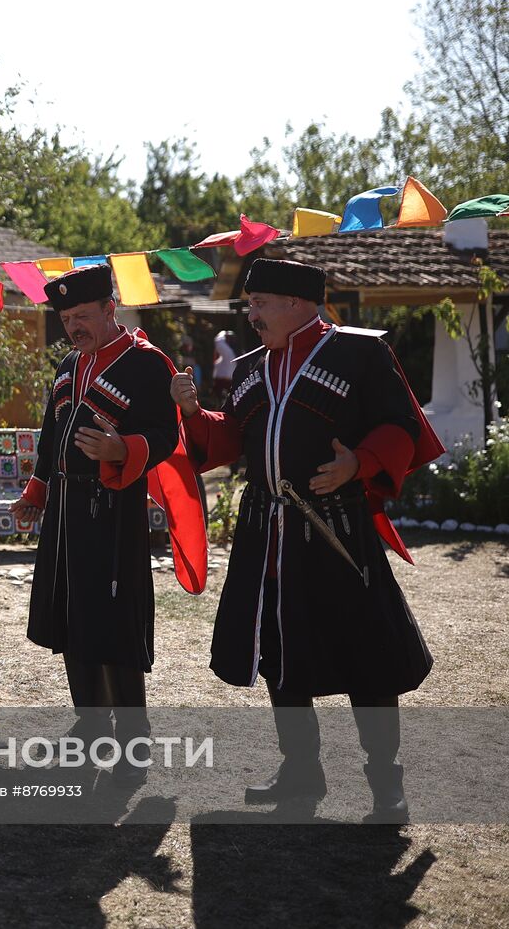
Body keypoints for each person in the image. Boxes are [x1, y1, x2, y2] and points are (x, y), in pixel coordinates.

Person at [171, 257, 442, 823]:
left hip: (335, 529)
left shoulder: (360, 353)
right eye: (250, 305)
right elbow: (228, 440)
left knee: (367, 655)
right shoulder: (251, 367)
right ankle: (300, 772)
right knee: (278, 653)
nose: (251, 315)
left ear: (297, 304)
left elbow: (402, 426)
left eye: (260, 304)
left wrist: (359, 465)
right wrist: (195, 412)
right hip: (266, 532)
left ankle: (386, 786)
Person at [13, 264, 207, 786]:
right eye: (66, 318)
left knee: (114, 623)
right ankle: (91, 727)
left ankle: (132, 742)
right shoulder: (69, 364)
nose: (74, 326)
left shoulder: (147, 365)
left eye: (82, 316)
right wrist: (37, 490)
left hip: (112, 510)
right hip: (65, 515)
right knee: (73, 621)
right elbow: (53, 433)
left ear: (110, 308)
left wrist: (125, 449)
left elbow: (167, 433)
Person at [211, 330, 237, 400]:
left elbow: (218, 341)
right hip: (222, 384)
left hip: (225, 383)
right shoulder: (225, 357)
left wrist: (223, 332)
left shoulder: (229, 354)